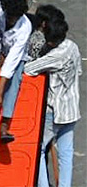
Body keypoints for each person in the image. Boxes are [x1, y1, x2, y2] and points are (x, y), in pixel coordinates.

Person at [24, 13, 80, 187]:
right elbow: (78, 72)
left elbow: (29, 69)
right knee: (66, 153)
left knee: (38, 150)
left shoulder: (54, 56)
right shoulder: (72, 46)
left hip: (53, 111)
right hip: (71, 108)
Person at [0, 0, 31, 144]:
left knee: (15, 77)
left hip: (16, 56)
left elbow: (13, 58)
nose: (10, 20)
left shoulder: (25, 26)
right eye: (9, 16)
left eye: (14, 18)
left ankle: (5, 123)